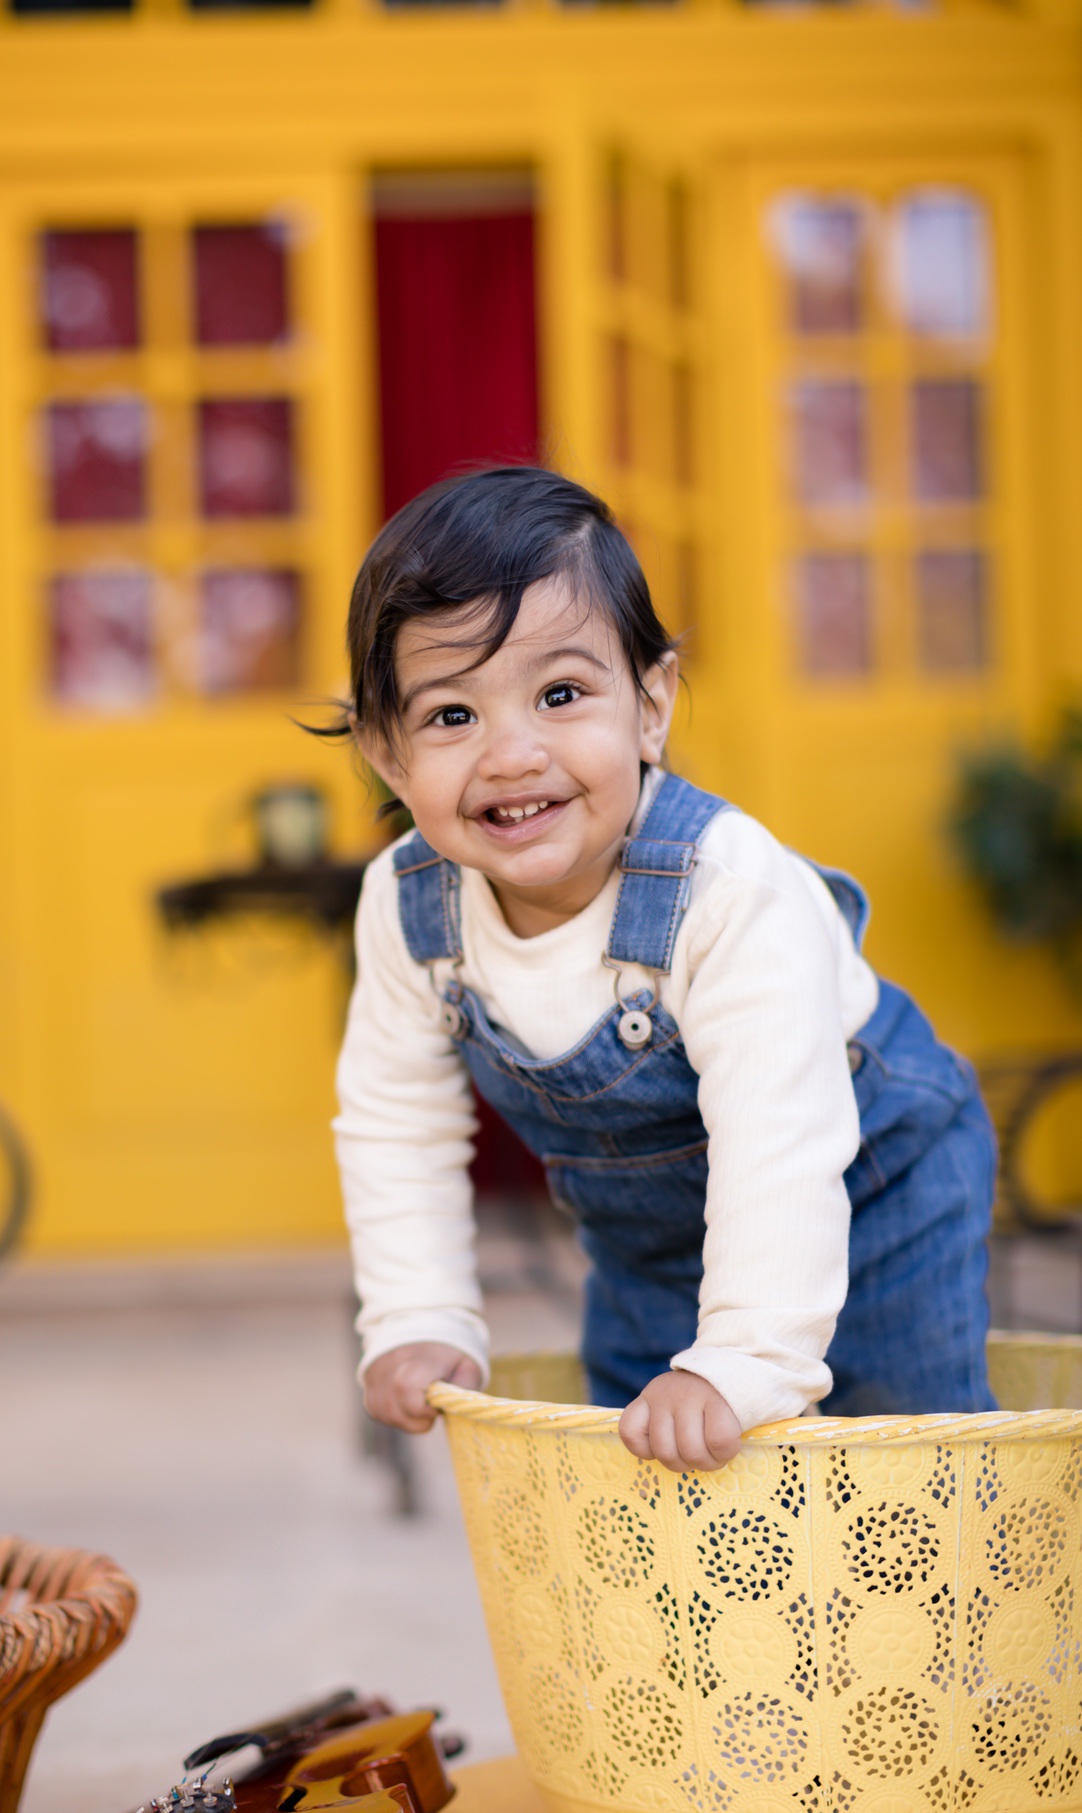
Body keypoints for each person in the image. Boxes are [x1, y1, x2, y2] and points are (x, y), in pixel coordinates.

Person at [325, 467, 996, 1473]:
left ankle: (935, 1625)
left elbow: (779, 1140)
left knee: (901, 1453)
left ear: (649, 705)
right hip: (650, 1247)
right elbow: (394, 1120)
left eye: (560, 695)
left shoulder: (725, 891)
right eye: (452, 717)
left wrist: (740, 1361)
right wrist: (417, 1313)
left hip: (872, 1185)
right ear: (385, 753)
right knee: (645, 1471)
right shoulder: (409, 907)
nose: (511, 754)